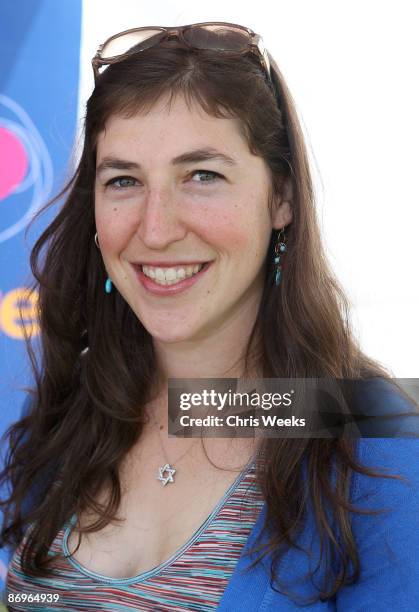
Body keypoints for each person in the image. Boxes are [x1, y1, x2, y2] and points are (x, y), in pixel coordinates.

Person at [1, 22, 418, 611]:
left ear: (282, 198)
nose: (155, 228)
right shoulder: (73, 405)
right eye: (123, 180)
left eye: (202, 176)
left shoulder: (373, 433)